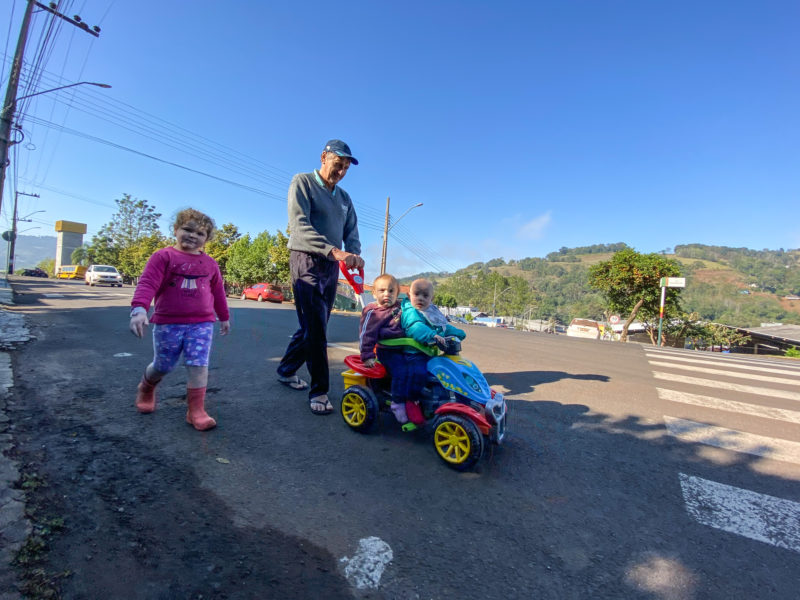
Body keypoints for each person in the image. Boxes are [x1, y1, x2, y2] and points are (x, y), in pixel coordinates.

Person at [277, 139, 364, 415]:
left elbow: (351, 231)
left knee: (312, 326)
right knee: (316, 329)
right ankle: (319, 391)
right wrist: (335, 251)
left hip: (331, 266)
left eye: (346, 168)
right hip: (306, 260)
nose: (341, 171)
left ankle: (286, 369)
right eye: (338, 164)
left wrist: (355, 254)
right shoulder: (302, 182)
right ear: (324, 157)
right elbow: (299, 226)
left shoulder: (344, 198)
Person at [129, 208, 230, 431]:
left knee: (198, 364)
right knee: (163, 365)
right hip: (168, 322)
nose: (193, 235)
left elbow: (218, 292)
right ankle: (146, 387)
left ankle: (196, 411)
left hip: (202, 324)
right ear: (175, 230)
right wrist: (139, 309)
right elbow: (147, 283)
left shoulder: (210, 264)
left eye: (200, 233)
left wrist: (223, 316)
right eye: (187, 229)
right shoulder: (163, 257)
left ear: (207, 239)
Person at [399, 278, 467, 424]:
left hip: (429, 352)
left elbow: (443, 327)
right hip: (413, 353)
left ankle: (443, 398)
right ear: (409, 294)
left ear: (432, 298)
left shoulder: (431, 311)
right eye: (417, 294)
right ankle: (411, 400)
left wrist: (458, 333)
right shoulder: (410, 311)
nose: (420, 299)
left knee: (448, 370)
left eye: (425, 296)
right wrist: (432, 335)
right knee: (418, 372)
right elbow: (415, 327)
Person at [357, 273, 407, 422]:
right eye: (382, 290)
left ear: (397, 293)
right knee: (401, 370)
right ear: (373, 293)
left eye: (391, 291)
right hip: (387, 351)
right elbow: (366, 334)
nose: (387, 294)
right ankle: (398, 402)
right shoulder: (373, 312)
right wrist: (367, 355)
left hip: (404, 348)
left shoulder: (401, 306)